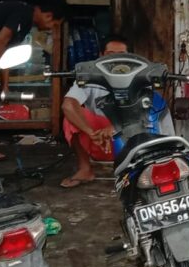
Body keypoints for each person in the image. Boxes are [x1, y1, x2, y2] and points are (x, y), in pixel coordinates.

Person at [60, 38, 174, 188]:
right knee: (70, 119)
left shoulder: (141, 78)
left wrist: (115, 128)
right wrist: (91, 132)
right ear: (101, 56)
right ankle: (85, 169)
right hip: (100, 142)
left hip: (131, 142)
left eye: (121, 54)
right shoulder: (88, 77)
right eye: (110, 54)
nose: (115, 59)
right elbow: (68, 106)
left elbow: (146, 115)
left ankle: (144, 171)